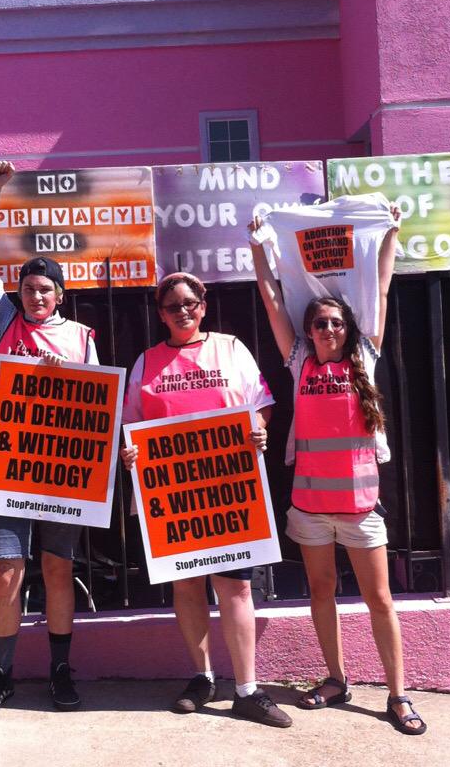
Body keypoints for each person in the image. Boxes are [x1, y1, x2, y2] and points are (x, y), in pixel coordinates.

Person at [249, 210, 427, 735]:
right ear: (308, 331)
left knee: (379, 599)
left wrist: (392, 232)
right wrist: (258, 244)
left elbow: (384, 289)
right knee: (320, 592)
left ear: (348, 329)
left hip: (360, 508)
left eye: (335, 323)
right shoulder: (299, 359)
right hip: (308, 506)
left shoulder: (363, 358)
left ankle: (397, 694)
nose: (327, 329)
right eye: (319, 323)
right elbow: (271, 297)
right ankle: (335, 678)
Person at [121, 272, 292, 728]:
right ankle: (202, 678)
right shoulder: (146, 362)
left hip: (229, 489)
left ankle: (247, 690)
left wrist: (259, 428)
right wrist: (130, 451)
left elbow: (262, 403)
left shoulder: (231, 348)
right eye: (172, 306)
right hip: (174, 497)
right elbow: (130, 425)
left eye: (189, 303)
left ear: (203, 305)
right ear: (160, 314)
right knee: (187, 586)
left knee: (235, 586)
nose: (183, 311)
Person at [0, 160, 98, 716]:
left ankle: (61, 671)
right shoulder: (3, 320)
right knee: (6, 572)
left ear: (61, 296)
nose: (35, 297)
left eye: (45, 290)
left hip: (64, 471)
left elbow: (99, 408)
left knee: (56, 570)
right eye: (28, 288)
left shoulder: (80, 338)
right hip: (10, 469)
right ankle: (0, 675)